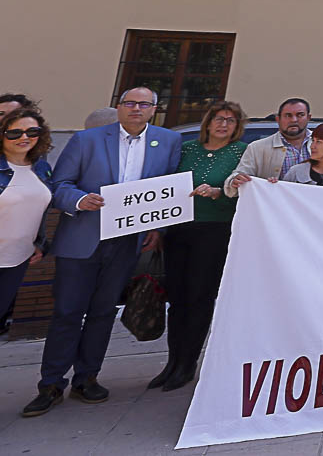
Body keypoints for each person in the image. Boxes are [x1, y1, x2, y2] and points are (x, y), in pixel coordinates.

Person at [24, 88, 181, 417]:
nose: (135, 109)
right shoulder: (87, 140)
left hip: (126, 242)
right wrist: (80, 201)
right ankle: (51, 383)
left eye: (143, 104)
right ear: (119, 107)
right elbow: (60, 185)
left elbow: (167, 190)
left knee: (103, 312)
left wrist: (157, 228)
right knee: (67, 312)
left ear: (154, 110)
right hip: (81, 240)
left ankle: (87, 377)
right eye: (129, 103)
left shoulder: (167, 142)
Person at [152, 99, 247, 392]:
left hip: (215, 232)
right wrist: (156, 227)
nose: (223, 124)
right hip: (179, 230)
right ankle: (172, 361)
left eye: (230, 120)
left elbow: (246, 189)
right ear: (208, 122)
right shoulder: (188, 149)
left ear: (237, 126)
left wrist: (221, 192)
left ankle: (187, 364)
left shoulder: (241, 152)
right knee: (177, 298)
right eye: (218, 118)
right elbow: (163, 186)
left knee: (199, 297)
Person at [0, 105, 52, 342]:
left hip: (16, 261)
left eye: (32, 132)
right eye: (14, 133)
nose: (24, 137)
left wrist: (39, 242)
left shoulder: (41, 168)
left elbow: (38, 208)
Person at [224, 97, 313, 196]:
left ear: (308, 117)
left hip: (315, 208)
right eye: (288, 115)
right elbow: (238, 176)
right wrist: (235, 181)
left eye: (300, 115)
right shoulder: (257, 148)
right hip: (274, 208)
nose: (294, 120)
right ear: (278, 119)